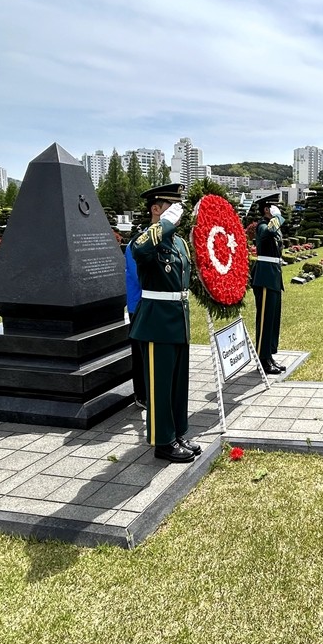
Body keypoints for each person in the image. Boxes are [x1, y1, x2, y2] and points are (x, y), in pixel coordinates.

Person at [130, 183, 200, 464]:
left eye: (177, 207)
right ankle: (162, 441)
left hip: (178, 320)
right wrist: (166, 223)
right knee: (160, 385)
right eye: (170, 207)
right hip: (156, 321)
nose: (176, 212)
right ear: (155, 209)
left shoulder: (180, 243)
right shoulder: (144, 241)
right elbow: (141, 249)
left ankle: (177, 433)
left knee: (177, 383)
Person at [251, 193, 286, 375]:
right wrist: (278, 216)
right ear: (266, 209)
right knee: (264, 321)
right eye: (274, 207)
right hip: (264, 276)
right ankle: (262, 359)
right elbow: (269, 231)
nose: (277, 210)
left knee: (272, 320)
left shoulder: (273, 226)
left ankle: (269, 356)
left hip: (273, 276)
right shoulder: (262, 226)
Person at [124, 228, 144, 408]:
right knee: (139, 352)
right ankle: (141, 395)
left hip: (151, 306)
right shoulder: (135, 245)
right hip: (138, 305)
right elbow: (140, 277)